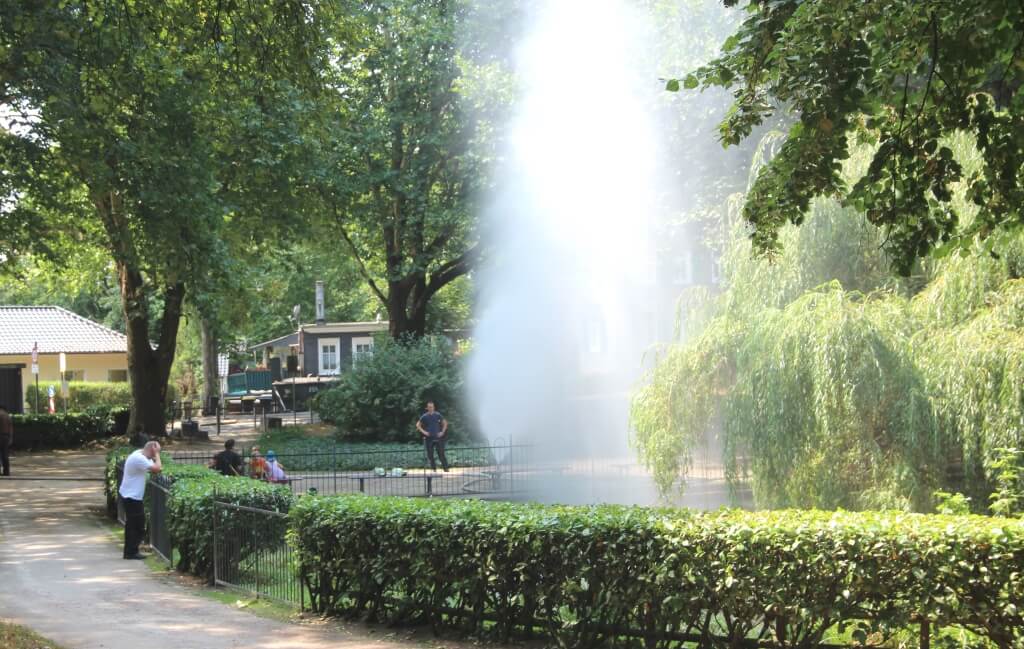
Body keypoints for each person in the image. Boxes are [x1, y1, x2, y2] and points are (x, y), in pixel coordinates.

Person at [118, 441, 162, 560]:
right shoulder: (138, 458)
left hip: (131, 495)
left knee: (133, 525)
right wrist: (157, 455)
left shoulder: (139, 453)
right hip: (131, 497)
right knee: (137, 526)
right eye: (156, 452)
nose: (155, 456)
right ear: (152, 450)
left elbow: (153, 466)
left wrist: (153, 455)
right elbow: (157, 468)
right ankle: (131, 552)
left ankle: (130, 551)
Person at [416, 401, 449, 472]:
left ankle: (446, 469)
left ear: (434, 407)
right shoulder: (424, 416)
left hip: (438, 438)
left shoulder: (438, 415)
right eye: (429, 407)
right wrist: (424, 432)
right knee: (430, 455)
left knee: (441, 454)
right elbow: (418, 425)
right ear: (427, 408)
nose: (430, 408)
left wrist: (442, 432)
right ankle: (434, 469)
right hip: (429, 439)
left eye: (431, 407)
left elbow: (445, 423)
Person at [0, 403, 13, 477]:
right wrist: (10, 438)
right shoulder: (8, 416)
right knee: (5, 454)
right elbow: (11, 428)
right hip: (6, 436)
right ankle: (6, 471)